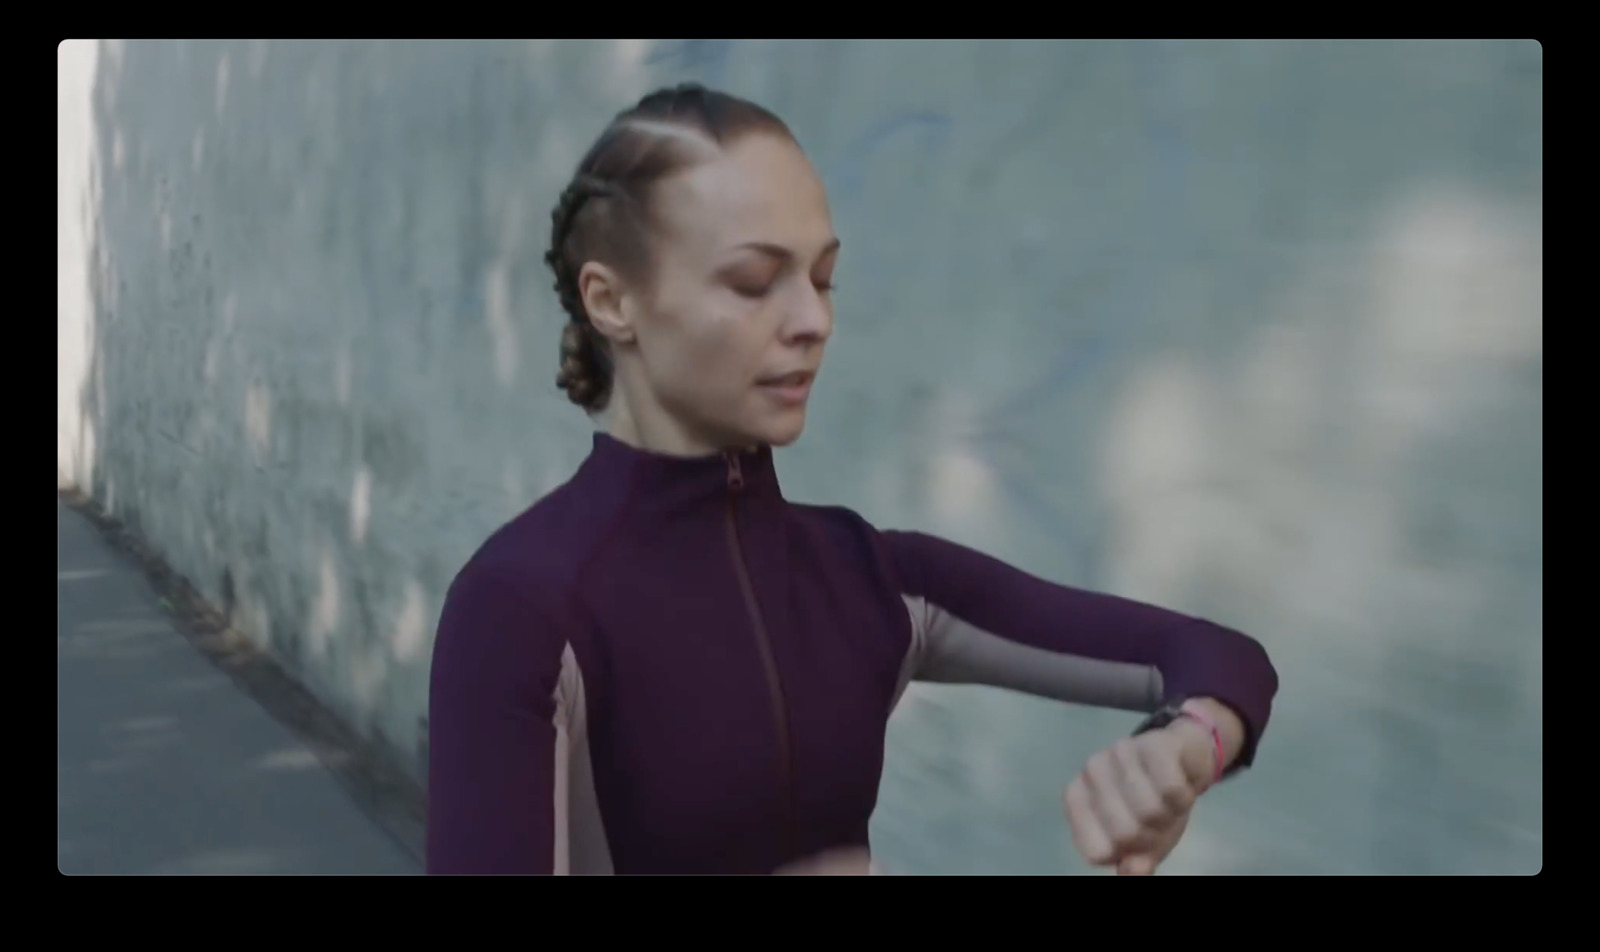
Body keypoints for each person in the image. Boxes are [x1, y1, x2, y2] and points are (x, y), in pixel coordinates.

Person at [425, 83, 1279, 876]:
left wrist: (1187, 742)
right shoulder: (521, 607)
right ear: (612, 302)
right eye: (755, 282)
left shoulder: (871, 576)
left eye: (822, 277)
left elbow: (1217, 656)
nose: (813, 321)